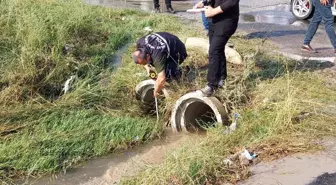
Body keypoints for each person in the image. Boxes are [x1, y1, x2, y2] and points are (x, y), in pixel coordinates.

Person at [196, 0, 240, 97]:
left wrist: (214, 11)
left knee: (214, 51)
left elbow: (232, 2)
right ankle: (222, 79)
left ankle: (211, 85)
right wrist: (205, 2)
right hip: (214, 20)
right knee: (218, 50)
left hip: (227, 21)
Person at [133, 32, 188, 97]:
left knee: (167, 75)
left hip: (178, 51)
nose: (144, 65)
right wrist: (147, 67)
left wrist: (156, 91)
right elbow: (145, 59)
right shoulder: (140, 43)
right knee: (157, 65)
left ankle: (182, 72)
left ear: (147, 56)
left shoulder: (157, 56)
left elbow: (162, 78)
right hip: (167, 43)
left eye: (144, 63)